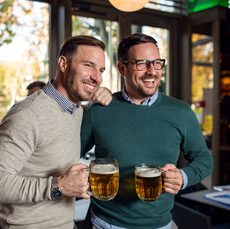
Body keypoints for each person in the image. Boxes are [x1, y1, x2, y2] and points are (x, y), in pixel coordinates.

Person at [81, 33, 214, 229]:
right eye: (142, 63)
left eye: (157, 63)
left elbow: (204, 159)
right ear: (122, 68)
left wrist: (183, 177)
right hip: (104, 223)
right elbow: (68, 155)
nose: (152, 71)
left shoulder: (181, 111)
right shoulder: (99, 109)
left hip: (160, 224)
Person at [0, 35, 111, 229]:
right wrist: (60, 186)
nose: (97, 77)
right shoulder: (27, 114)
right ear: (63, 63)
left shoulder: (75, 109)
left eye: (100, 70)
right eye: (88, 65)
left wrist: (103, 94)